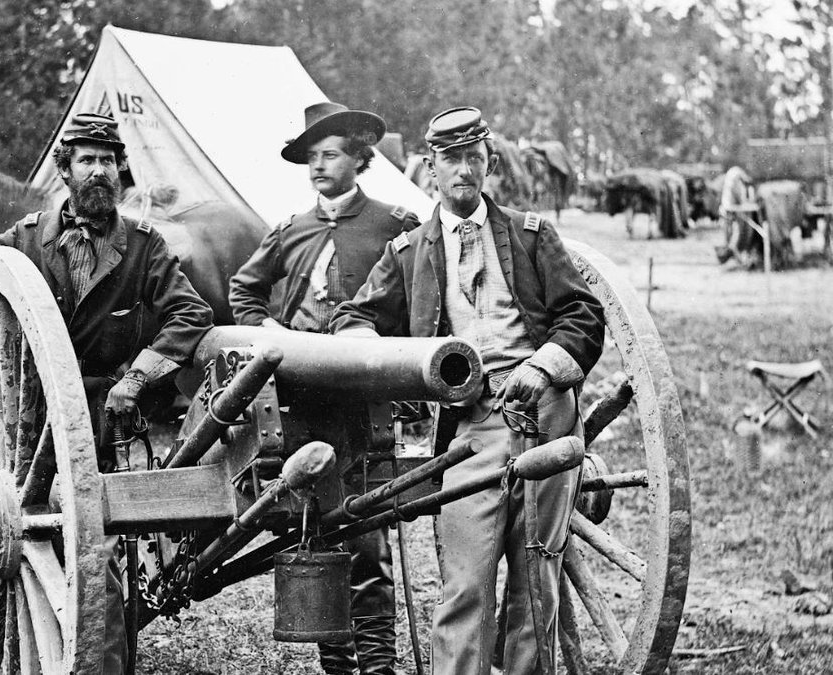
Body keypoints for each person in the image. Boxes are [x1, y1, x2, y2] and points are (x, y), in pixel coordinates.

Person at [330, 107, 605, 675]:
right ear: (430, 169)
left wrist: (545, 367)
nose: (463, 170)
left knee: (537, 583)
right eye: (451, 160)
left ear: (490, 164)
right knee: (465, 583)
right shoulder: (409, 253)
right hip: (471, 430)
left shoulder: (531, 235)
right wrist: (388, 363)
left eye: (473, 158)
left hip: (547, 417)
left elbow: (583, 315)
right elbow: (353, 318)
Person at [0, 112, 214, 674]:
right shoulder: (23, 241)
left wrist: (137, 377)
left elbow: (191, 313)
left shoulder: (142, 246)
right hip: (31, 417)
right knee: (34, 535)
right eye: (87, 160)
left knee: (99, 546)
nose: (99, 171)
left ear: (121, 171)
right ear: (64, 170)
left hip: (103, 415)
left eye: (108, 161)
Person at [229, 101, 420, 675]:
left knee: (368, 534)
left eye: (330, 155)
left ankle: (378, 665)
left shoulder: (394, 225)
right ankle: (336, 662)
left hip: (363, 401)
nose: (318, 166)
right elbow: (244, 290)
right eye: (311, 157)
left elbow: (420, 296)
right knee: (319, 531)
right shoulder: (291, 229)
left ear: (359, 159)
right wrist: (270, 332)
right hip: (303, 401)